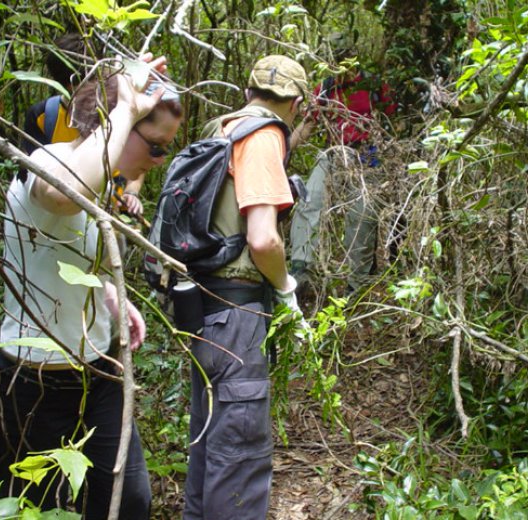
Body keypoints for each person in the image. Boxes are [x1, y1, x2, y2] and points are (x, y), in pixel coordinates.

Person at [0, 61, 183, 518]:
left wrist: (112, 296)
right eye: (155, 146)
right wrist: (125, 107)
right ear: (111, 123)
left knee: (126, 503)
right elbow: (60, 194)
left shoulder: (102, 186)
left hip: (98, 373)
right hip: (32, 382)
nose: (158, 161)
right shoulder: (50, 161)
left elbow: (68, 254)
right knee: (26, 509)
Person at [182, 55, 308, 519]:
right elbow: (262, 239)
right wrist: (286, 287)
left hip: (202, 309)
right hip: (236, 318)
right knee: (239, 456)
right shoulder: (264, 136)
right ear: (295, 104)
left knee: (208, 446)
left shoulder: (221, 129)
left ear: (248, 92)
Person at [289, 46, 397, 293]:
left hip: (368, 155)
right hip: (334, 153)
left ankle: (356, 283)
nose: (341, 69)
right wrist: (282, 150)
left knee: (361, 215)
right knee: (310, 199)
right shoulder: (326, 88)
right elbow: (308, 124)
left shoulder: (373, 86)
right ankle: (301, 269)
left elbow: (394, 122)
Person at [22, 33, 145, 217]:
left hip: (114, 215)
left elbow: (139, 158)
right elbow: (36, 179)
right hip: (65, 218)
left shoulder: (117, 109)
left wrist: (131, 192)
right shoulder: (43, 116)